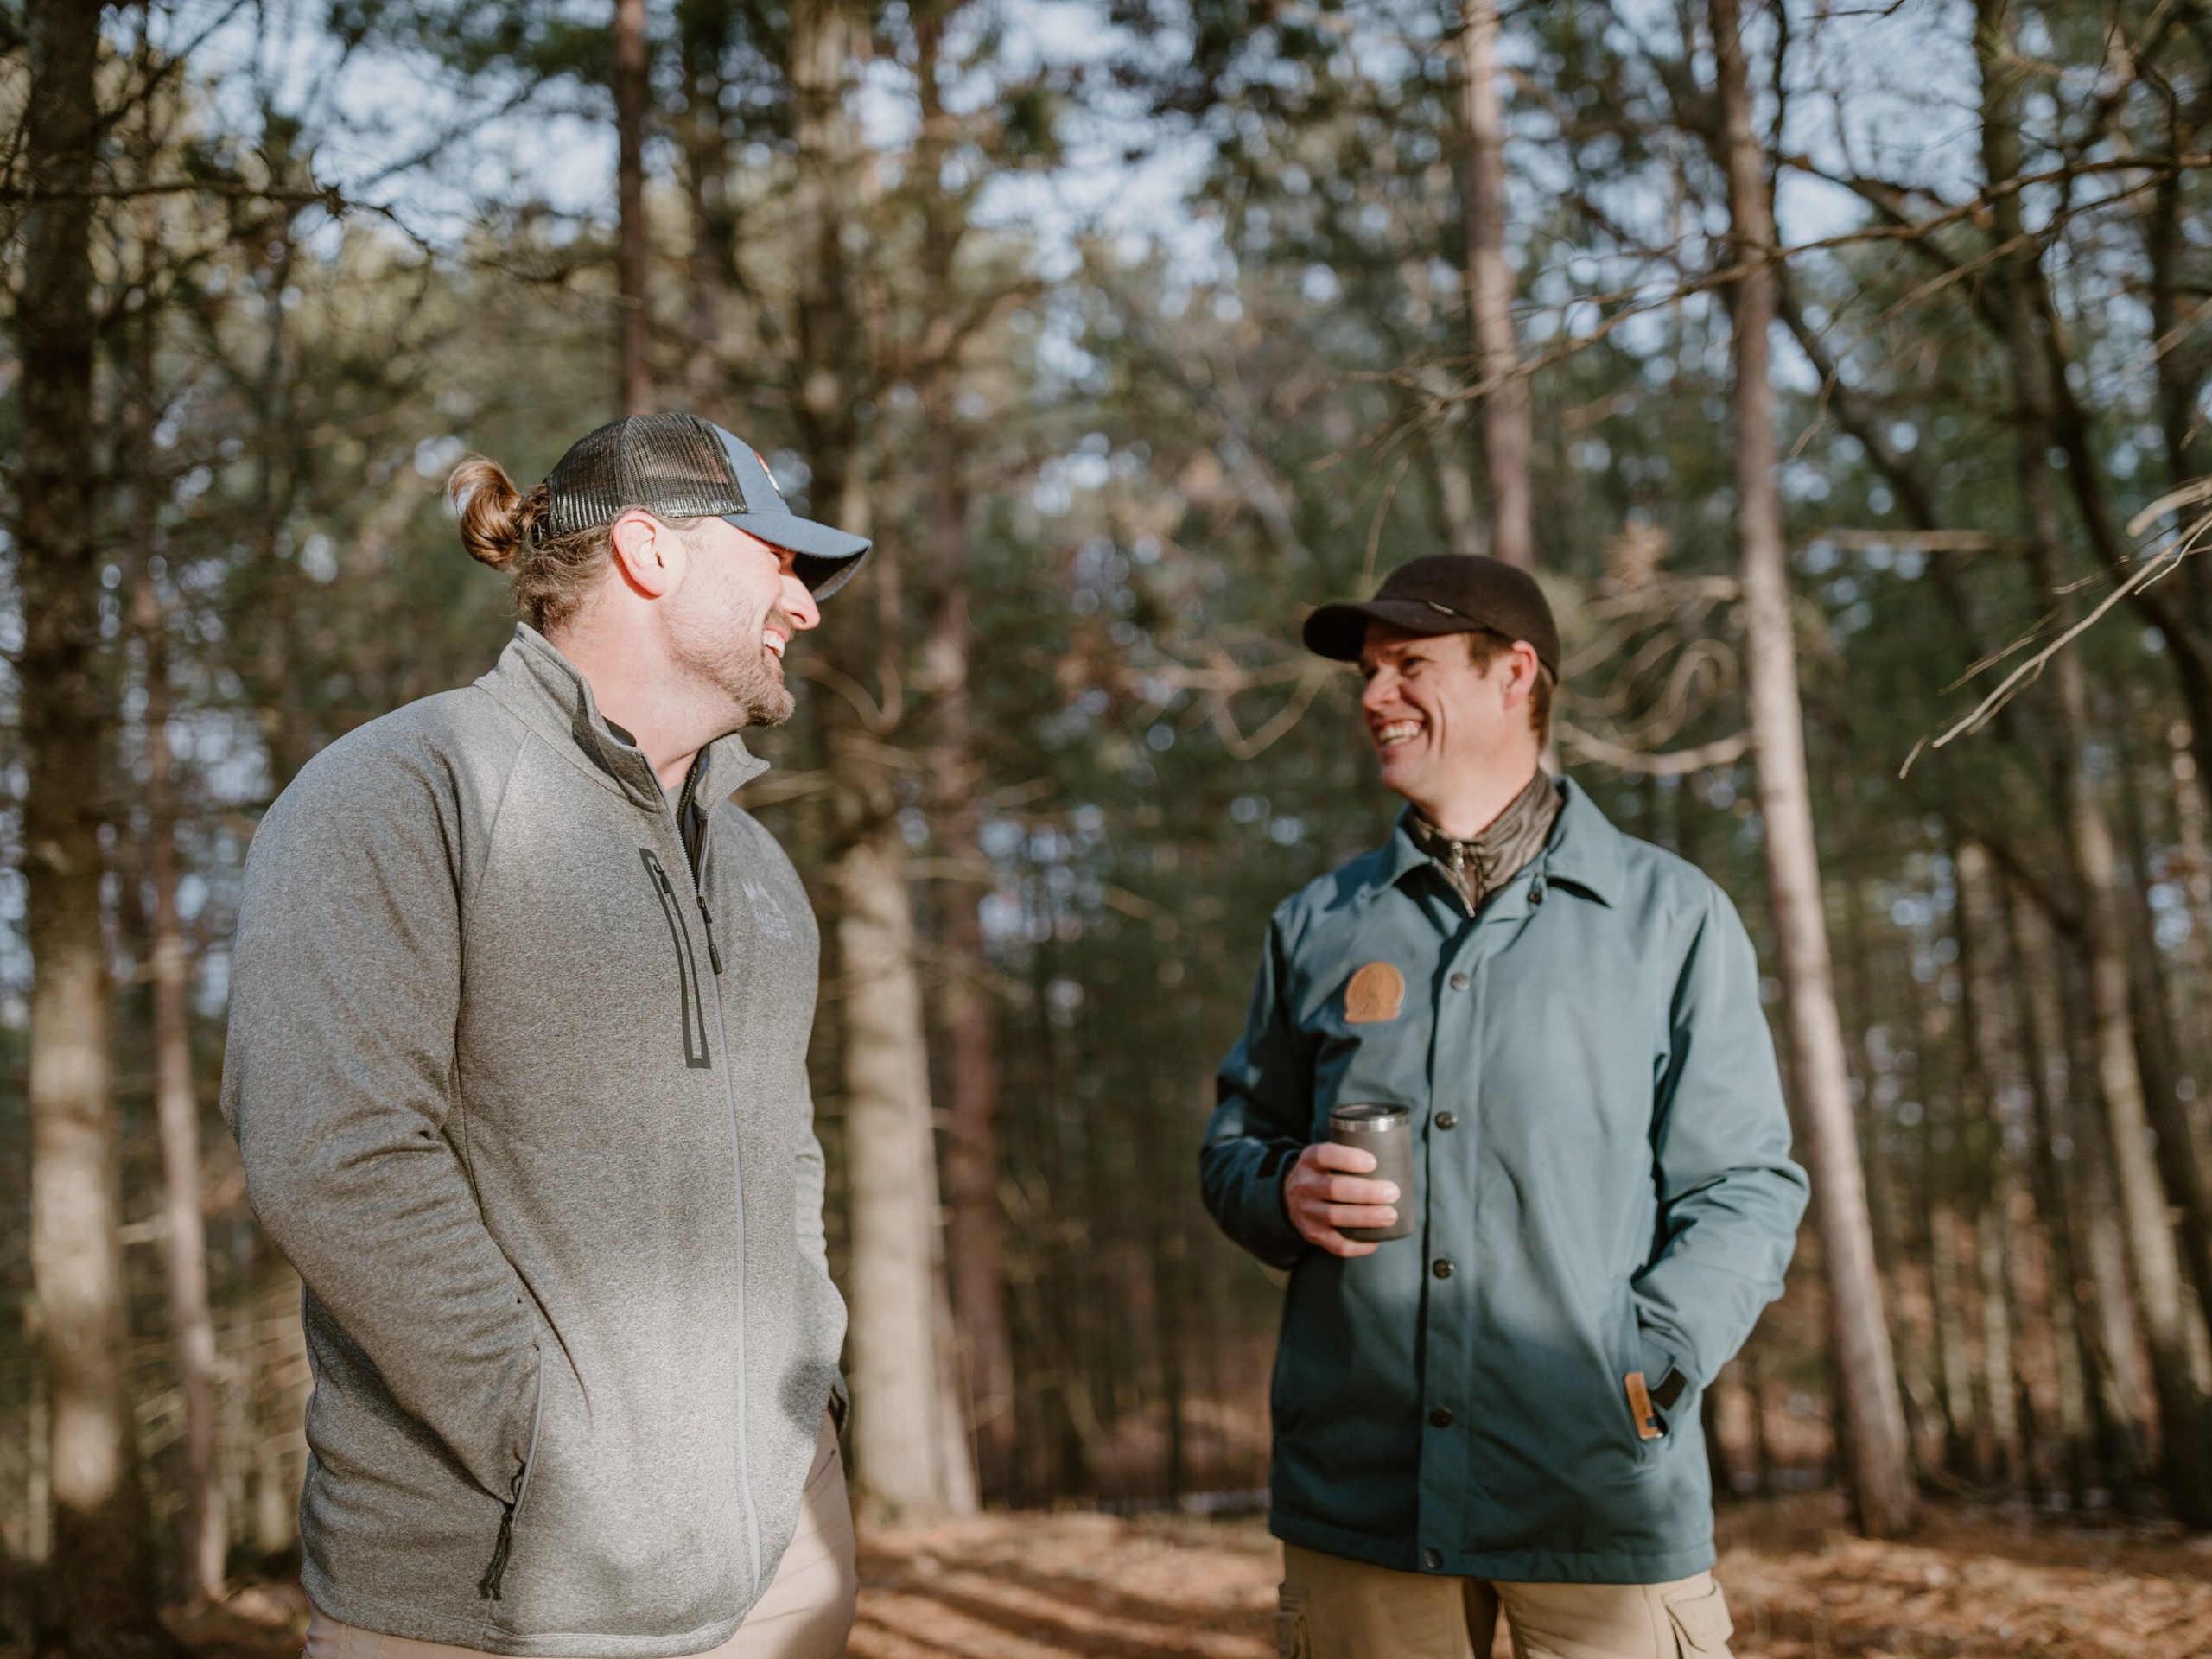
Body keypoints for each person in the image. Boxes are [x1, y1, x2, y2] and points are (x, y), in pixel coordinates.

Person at [222, 412, 868, 1659]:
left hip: (782, 1572)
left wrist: (810, 1409)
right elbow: (335, 1156)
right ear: (651, 550)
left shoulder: (759, 868)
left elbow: (788, 1162)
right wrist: (555, 1448)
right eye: (780, 561)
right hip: (501, 1599)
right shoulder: (400, 792)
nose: (807, 608)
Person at [1200, 555, 1809, 1659]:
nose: (1375, 695)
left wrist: (1645, 1371)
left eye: (1409, 665)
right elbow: (1236, 1146)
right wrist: (1278, 1188)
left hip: (1598, 1501)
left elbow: (1745, 1187)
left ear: (1513, 674)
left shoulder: (1668, 916)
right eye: (1369, 674)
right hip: (1361, 1506)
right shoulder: (1317, 925)